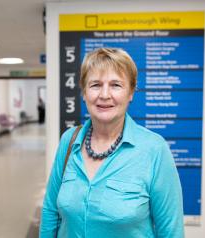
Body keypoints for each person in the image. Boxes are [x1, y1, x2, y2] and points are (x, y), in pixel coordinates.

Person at [40, 48, 184, 237]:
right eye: (95, 85)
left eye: (116, 85)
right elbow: (51, 211)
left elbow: (170, 230)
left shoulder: (154, 149)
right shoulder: (69, 140)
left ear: (131, 93)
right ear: (84, 92)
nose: (105, 95)